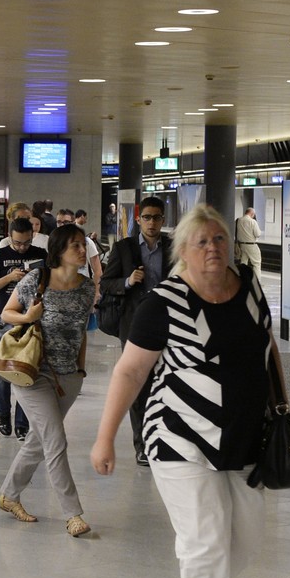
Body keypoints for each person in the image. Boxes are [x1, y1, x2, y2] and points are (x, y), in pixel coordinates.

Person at [91, 204, 279, 578]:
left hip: (244, 438)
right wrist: (105, 436)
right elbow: (130, 372)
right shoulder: (164, 302)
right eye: (202, 242)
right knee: (206, 543)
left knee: (247, 540)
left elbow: (268, 349)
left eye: (219, 240)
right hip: (181, 436)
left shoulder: (251, 289)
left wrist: (283, 408)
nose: (213, 248)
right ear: (184, 252)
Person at [0, 223, 96, 537]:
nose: (83, 251)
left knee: (39, 442)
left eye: (83, 245)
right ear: (59, 252)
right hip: (33, 373)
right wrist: (28, 317)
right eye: (75, 246)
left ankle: (9, 496)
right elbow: (7, 314)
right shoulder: (36, 280)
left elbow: (81, 332)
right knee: (55, 441)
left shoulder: (86, 288)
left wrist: (80, 370)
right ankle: (73, 514)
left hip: (69, 376)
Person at [99, 197, 173, 466]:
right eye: (147, 217)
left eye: (157, 218)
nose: (152, 223)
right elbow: (106, 284)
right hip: (134, 326)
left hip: (168, 325)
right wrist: (128, 281)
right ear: (139, 220)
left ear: (163, 220)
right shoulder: (124, 248)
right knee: (137, 384)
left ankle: (164, 437)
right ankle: (141, 444)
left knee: (166, 382)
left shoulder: (173, 248)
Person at [0, 217, 46, 439]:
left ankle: (22, 421)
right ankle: (3, 413)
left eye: (26, 243)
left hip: (31, 321)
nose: (22, 248)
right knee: (1, 371)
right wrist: (10, 277)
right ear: (9, 237)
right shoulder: (0, 256)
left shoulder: (40, 254)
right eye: (18, 243)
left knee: (25, 370)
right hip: (6, 320)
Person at [57, 208, 103, 295]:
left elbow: (98, 271)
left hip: (84, 292)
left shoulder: (87, 242)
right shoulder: (55, 245)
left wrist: (97, 294)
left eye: (66, 222)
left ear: (73, 222)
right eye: (59, 222)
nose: (62, 225)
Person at [235, 207, 262, 272]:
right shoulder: (253, 222)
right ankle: (257, 281)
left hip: (242, 245)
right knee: (256, 264)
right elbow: (258, 234)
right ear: (252, 214)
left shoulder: (238, 220)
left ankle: (243, 279)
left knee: (243, 263)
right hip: (252, 245)